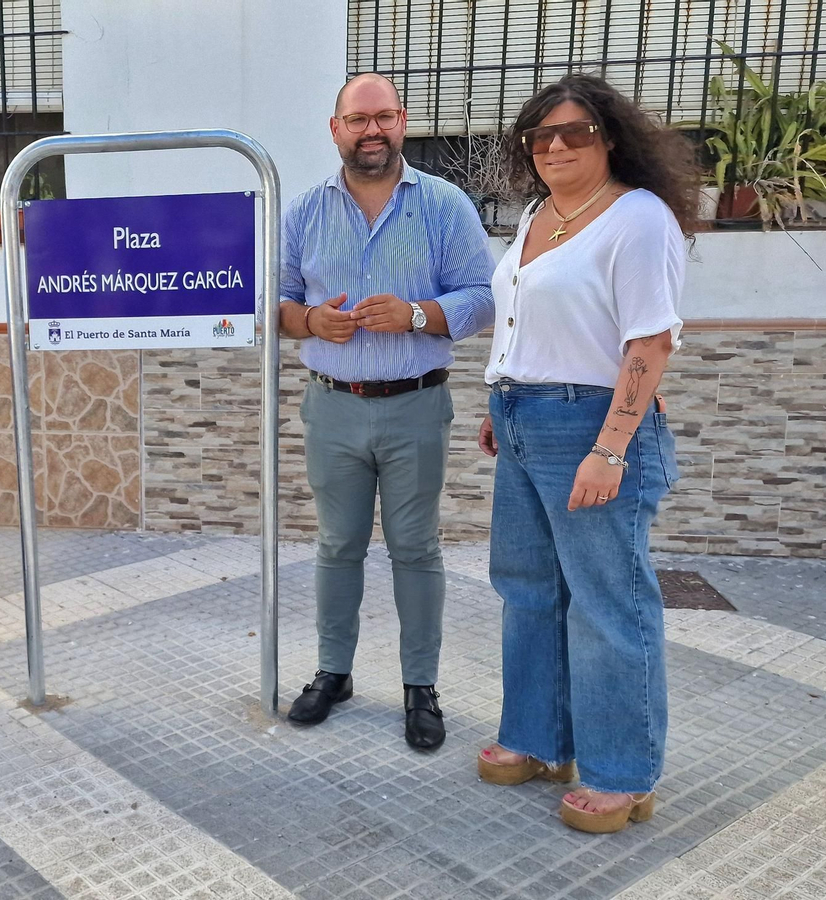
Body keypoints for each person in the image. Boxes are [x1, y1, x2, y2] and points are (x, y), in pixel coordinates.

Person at [475, 73, 690, 834]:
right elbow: (523, 317)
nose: (556, 146)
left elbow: (649, 340)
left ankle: (622, 773)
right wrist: (498, 397)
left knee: (608, 603)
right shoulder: (538, 212)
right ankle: (540, 740)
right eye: (541, 136)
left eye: (576, 133)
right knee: (527, 587)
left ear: (611, 139)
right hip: (524, 417)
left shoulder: (637, 218)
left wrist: (610, 449)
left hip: (591, 427)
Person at [279, 73, 495, 749]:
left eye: (383, 118)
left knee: (415, 550)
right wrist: (311, 319)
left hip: (415, 406)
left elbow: (483, 298)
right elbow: (277, 303)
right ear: (335, 128)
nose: (371, 130)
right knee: (337, 547)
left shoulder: (444, 205)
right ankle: (333, 672)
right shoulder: (306, 212)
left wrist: (419, 315)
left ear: (401, 121)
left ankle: (419, 686)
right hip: (333, 407)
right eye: (357, 119)